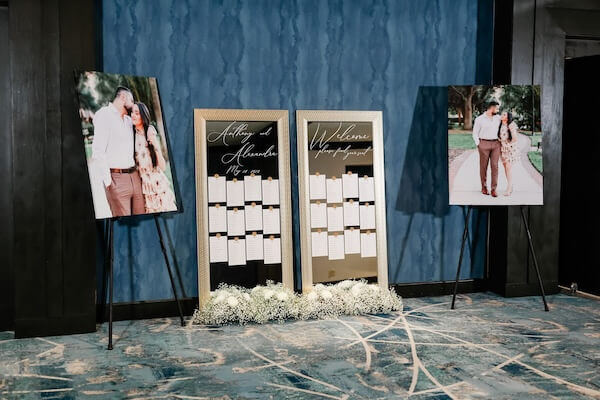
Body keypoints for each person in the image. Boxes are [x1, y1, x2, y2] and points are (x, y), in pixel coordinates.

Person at [91, 86, 145, 216]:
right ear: (123, 97)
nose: (133, 106)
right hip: (116, 180)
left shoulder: (128, 120)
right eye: (132, 101)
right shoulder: (104, 115)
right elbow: (98, 151)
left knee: (142, 217)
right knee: (123, 223)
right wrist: (109, 182)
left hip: (135, 177)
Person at [131, 102, 177, 213]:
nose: (133, 115)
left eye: (137, 113)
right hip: (144, 188)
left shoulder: (150, 131)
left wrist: (156, 146)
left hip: (158, 185)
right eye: (132, 112)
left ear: (143, 115)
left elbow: (163, 167)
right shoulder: (131, 135)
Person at [472, 101, 501, 197]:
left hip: (496, 144)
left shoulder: (498, 118)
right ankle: (484, 187)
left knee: (495, 166)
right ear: (491, 108)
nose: (498, 110)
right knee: (483, 167)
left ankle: (494, 189)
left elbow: (506, 124)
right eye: (497, 108)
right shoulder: (479, 119)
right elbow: (475, 133)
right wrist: (478, 144)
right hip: (483, 143)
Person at [498, 111, 520, 196]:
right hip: (503, 149)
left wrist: (508, 145)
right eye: (502, 114)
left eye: (504, 114)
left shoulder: (511, 125)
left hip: (510, 149)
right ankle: (510, 185)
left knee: (508, 167)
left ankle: (509, 187)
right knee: (506, 168)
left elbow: (515, 138)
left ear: (507, 117)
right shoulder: (500, 124)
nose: (501, 115)